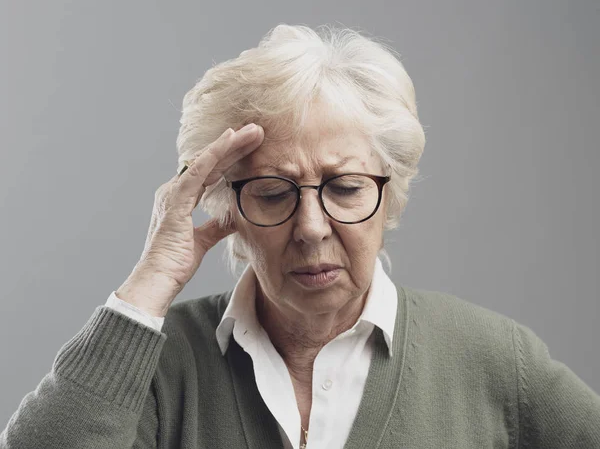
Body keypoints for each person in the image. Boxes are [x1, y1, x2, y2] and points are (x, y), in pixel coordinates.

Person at [1, 23, 599, 449]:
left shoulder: (494, 360)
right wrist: (150, 281)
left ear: (389, 194)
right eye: (272, 191)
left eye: (344, 187)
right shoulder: (160, 369)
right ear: (224, 203)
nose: (311, 229)